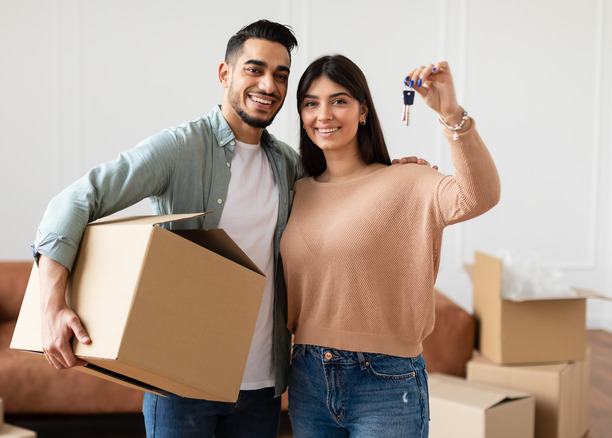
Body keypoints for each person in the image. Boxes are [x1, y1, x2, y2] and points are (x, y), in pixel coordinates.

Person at [32, 20, 429, 437]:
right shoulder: (181, 148)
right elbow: (76, 201)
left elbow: (343, 192)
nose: (268, 85)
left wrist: (393, 175)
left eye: (280, 75)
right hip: (181, 382)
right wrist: (51, 305)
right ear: (226, 74)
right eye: (254, 69)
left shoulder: (289, 164)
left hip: (262, 389)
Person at [281, 55, 500, 438]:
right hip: (307, 376)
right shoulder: (297, 191)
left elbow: (480, 195)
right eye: (311, 103)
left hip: (385, 380)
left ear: (363, 110)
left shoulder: (408, 181)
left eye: (339, 100)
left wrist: (451, 114)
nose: (324, 114)